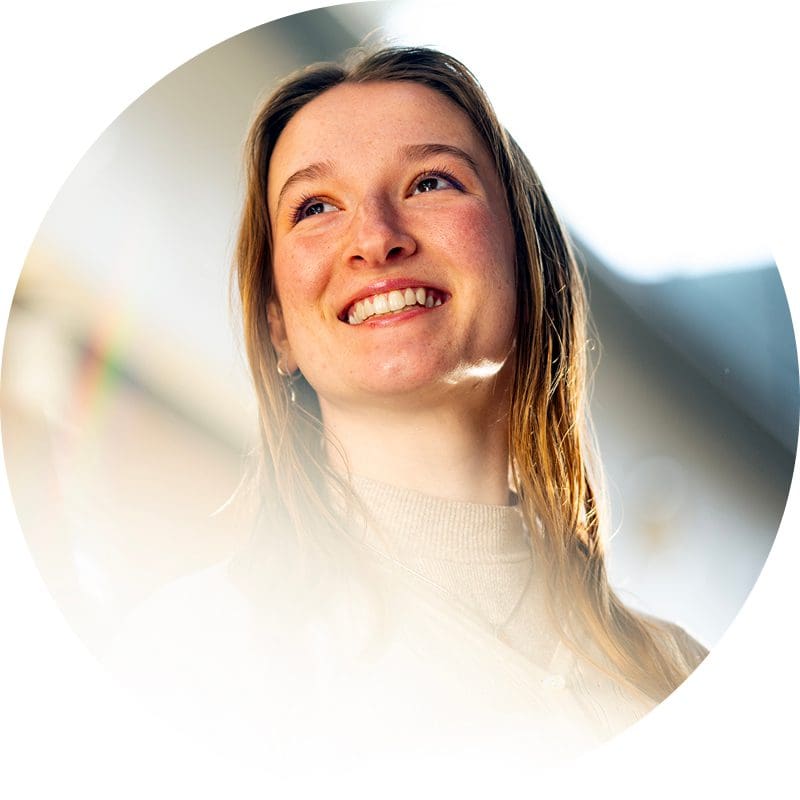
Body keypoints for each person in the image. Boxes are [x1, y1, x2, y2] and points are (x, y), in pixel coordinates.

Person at [108, 43, 707, 769]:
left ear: (528, 264)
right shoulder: (187, 659)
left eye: (430, 182)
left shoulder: (683, 682)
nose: (375, 238)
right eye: (315, 207)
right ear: (277, 326)